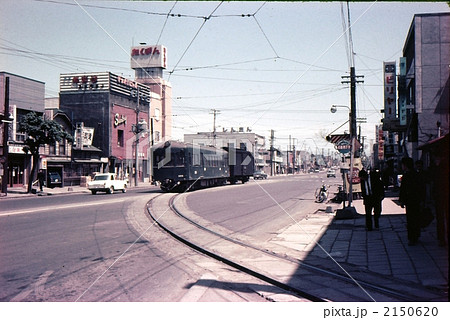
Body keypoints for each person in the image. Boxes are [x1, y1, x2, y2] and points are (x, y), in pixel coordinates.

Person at [399, 157, 421, 246]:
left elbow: (403, 190)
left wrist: (402, 200)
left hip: (410, 200)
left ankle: (412, 237)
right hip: (416, 200)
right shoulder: (416, 174)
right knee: (416, 218)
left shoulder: (407, 176)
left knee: (411, 219)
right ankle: (416, 235)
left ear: (405, 165)